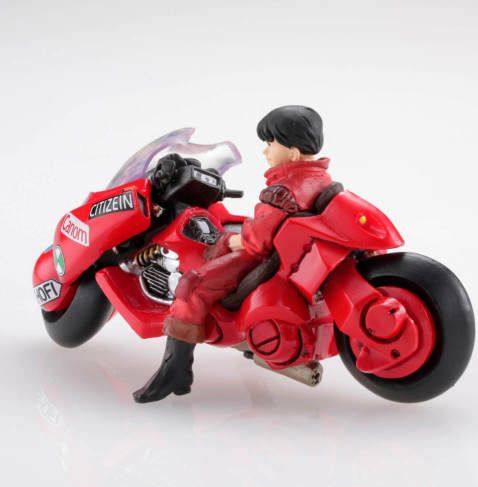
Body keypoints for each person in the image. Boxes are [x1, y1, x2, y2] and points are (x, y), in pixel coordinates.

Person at [133, 105, 333, 403]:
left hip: (264, 257)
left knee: (191, 286)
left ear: (292, 152)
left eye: (270, 143)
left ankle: (175, 372)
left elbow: (257, 241)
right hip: (286, 254)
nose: (265, 151)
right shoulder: (319, 179)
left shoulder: (284, 189)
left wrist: (229, 241)